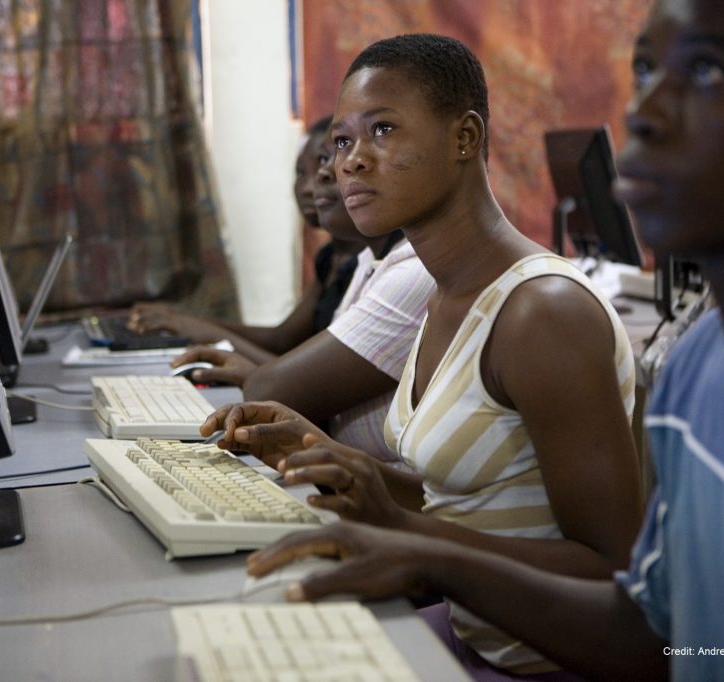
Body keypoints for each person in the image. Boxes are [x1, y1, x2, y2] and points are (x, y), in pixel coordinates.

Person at [237, 1, 724, 680]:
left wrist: (426, 547)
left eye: (707, 70)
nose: (645, 110)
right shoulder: (701, 366)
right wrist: (410, 534)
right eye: (644, 68)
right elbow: (655, 634)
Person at [203, 33, 644, 677]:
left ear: (465, 139)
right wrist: (344, 466)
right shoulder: (443, 298)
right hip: (471, 633)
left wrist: (412, 542)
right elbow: (461, 502)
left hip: (539, 665)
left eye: (382, 130)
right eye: (342, 142)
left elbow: (613, 575)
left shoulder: (541, 312)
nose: (349, 163)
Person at [176, 127, 435, 464]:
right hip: (359, 479)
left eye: (382, 133)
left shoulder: (417, 270)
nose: (335, 168)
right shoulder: (368, 260)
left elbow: (275, 386)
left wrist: (243, 363)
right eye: (341, 146)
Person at [127, 116, 361, 365]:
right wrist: (184, 323)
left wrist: (204, 333)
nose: (308, 187)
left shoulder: (377, 265)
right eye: (301, 172)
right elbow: (282, 338)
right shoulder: (331, 257)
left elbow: (309, 379)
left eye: (326, 163)